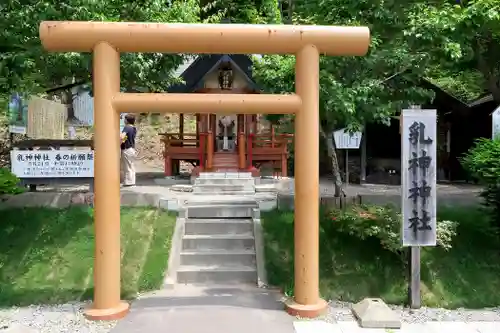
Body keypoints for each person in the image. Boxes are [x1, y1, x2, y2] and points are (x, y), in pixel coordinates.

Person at [120, 114, 137, 187]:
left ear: (127, 120)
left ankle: (128, 183)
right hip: (132, 149)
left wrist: (120, 141)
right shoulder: (134, 128)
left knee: (127, 167)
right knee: (131, 166)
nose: (124, 120)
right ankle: (132, 181)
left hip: (127, 149)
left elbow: (122, 137)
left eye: (124, 119)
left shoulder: (127, 127)